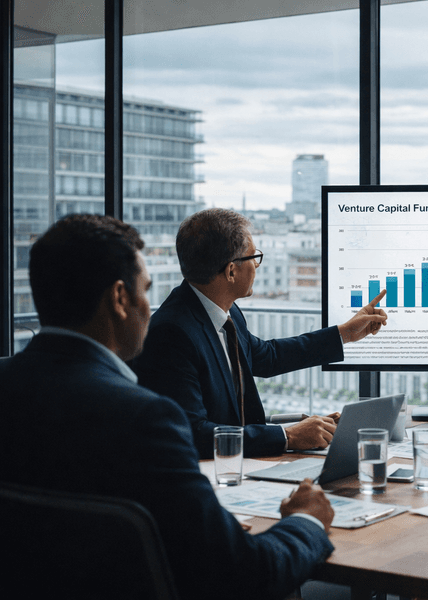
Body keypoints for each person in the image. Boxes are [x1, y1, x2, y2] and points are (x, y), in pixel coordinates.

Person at [0, 214, 336, 600]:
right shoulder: (145, 419)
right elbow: (247, 574)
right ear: (120, 299)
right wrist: (307, 520)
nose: (151, 307)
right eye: (146, 289)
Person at [133, 208, 388, 458]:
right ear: (231, 271)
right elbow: (193, 433)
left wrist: (344, 334)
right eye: (253, 257)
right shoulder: (171, 333)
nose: (257, 265)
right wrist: (288, 436)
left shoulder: (226, 313)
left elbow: (268, 356)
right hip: (214, 476)